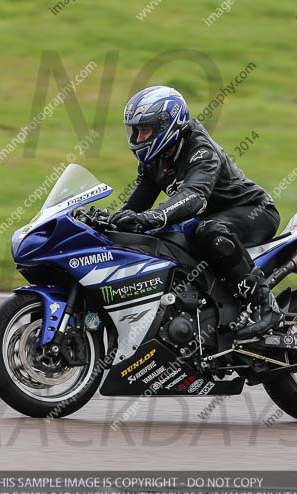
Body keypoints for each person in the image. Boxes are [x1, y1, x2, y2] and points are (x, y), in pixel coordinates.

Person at [110, 86, 283, 339]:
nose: (139, 138)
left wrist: (154, 217)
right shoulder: (154, 161)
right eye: (135, 131)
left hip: (254, 212)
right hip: (211, 218)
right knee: (166, 239)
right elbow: (135, 206)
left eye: (145, 129)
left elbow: (194, 197)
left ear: (166, 125)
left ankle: (266, 305)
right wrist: (108, 221)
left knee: (209, 230)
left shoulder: (201, 151)